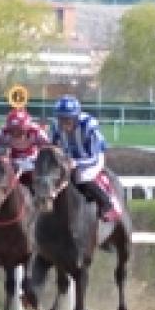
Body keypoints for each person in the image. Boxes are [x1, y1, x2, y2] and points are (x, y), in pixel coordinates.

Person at [48, 94, 118, 222]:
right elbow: (51, 148)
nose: (63, 124)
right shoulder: (55, 127)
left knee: (82, 177)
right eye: (61, 119)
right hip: (67, 159)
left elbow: (94, 157)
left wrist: (76, 163)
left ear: (75, 118)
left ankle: (107, 205)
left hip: (91, 157)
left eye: (67, 120)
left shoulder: (89, 126)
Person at [0, 108, 48, 189]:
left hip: (32, 162)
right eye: (12, 131)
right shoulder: (1, 133)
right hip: (11, 163)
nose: (15, 134)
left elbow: (48, 150)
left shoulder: (37, 132)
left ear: (26, 128)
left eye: (20, 131)